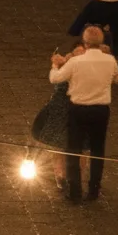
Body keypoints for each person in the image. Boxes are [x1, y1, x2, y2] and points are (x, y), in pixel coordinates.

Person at [49, 25, 118, 202]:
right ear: (101, 42)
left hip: (78, 109)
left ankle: (74, 192)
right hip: (101, 110)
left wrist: (54, 65)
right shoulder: (110, 61)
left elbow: (55, 79)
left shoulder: (75, 62)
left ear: (85, 42)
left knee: (73, 150)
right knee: (97, 151)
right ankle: (94, 190)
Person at [31, 46, 81, 191]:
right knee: (59, 146)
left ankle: (68, 178)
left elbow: (55, 79)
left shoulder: (68, 68)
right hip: (63, 111)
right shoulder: (73, 67)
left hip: (67, 111)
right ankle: (63, 177)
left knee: (70, 147)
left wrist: (56, 64)